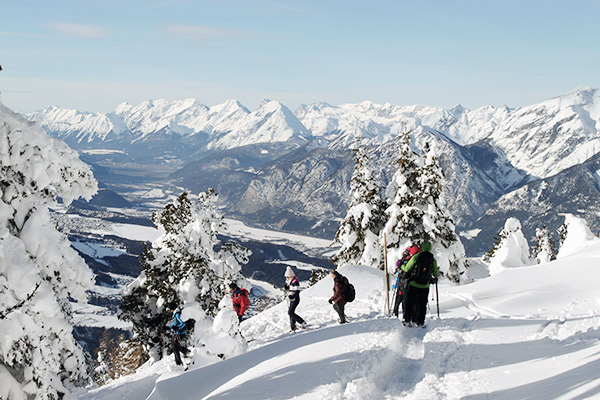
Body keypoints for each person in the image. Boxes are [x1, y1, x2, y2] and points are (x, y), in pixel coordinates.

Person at [401, 241, 440, 327]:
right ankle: (420, 321)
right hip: (425, 285)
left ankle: (407, 319)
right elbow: (436, 273)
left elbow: (407, 269)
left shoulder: (416, 257)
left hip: (414, 283)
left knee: (410, 302)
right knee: (422, 304)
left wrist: (401, 266)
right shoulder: (432, 260)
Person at [392, 243, 421, 317]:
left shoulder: (406, 259)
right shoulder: (416, 258)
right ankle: (408, 314)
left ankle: (396, 313)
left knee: (400, 298)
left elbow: (398, 264)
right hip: (411, 282)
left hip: (402, 281)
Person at [284, 266, 306, 331]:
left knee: (290, 312)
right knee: (291, 312)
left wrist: (292, 296)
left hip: (295, 299)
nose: (286, 278)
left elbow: (297, 291)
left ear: (290, 276)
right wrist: (287, 289)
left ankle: (302, 322)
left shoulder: (295, 282)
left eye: (287, 277)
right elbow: (291, 290)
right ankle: (293, 327)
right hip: (291, 299)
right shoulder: (291, 282)